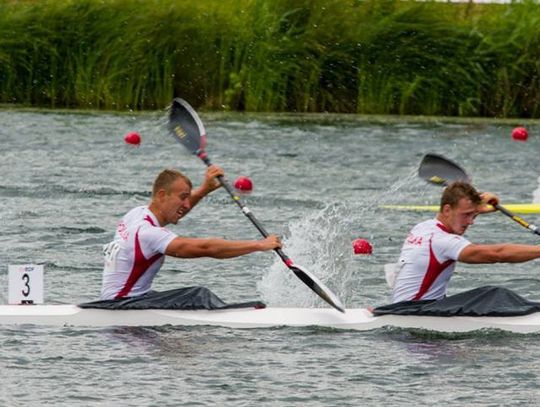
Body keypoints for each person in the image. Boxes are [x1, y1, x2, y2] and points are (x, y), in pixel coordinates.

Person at [100, 166, 281, 300]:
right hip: (122, 306)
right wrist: (259, 245)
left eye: (188, 198)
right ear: (162, 195)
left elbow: (174, 212)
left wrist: (204, 189)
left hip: (116, 301)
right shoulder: (148, 234)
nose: (186, 205)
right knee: (198, 296)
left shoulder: (135, 214)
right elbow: (207, 248)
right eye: (183, 197)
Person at [391, 181, 540, 303]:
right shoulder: (443, 241)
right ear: (447, 209)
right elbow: (497, 254)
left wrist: (478, 208)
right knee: (495, 295)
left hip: (401, 307)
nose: (471, 222)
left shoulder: (423, 228)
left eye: (473, 215)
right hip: (416, 312)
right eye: (467, 215)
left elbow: (462, 213)